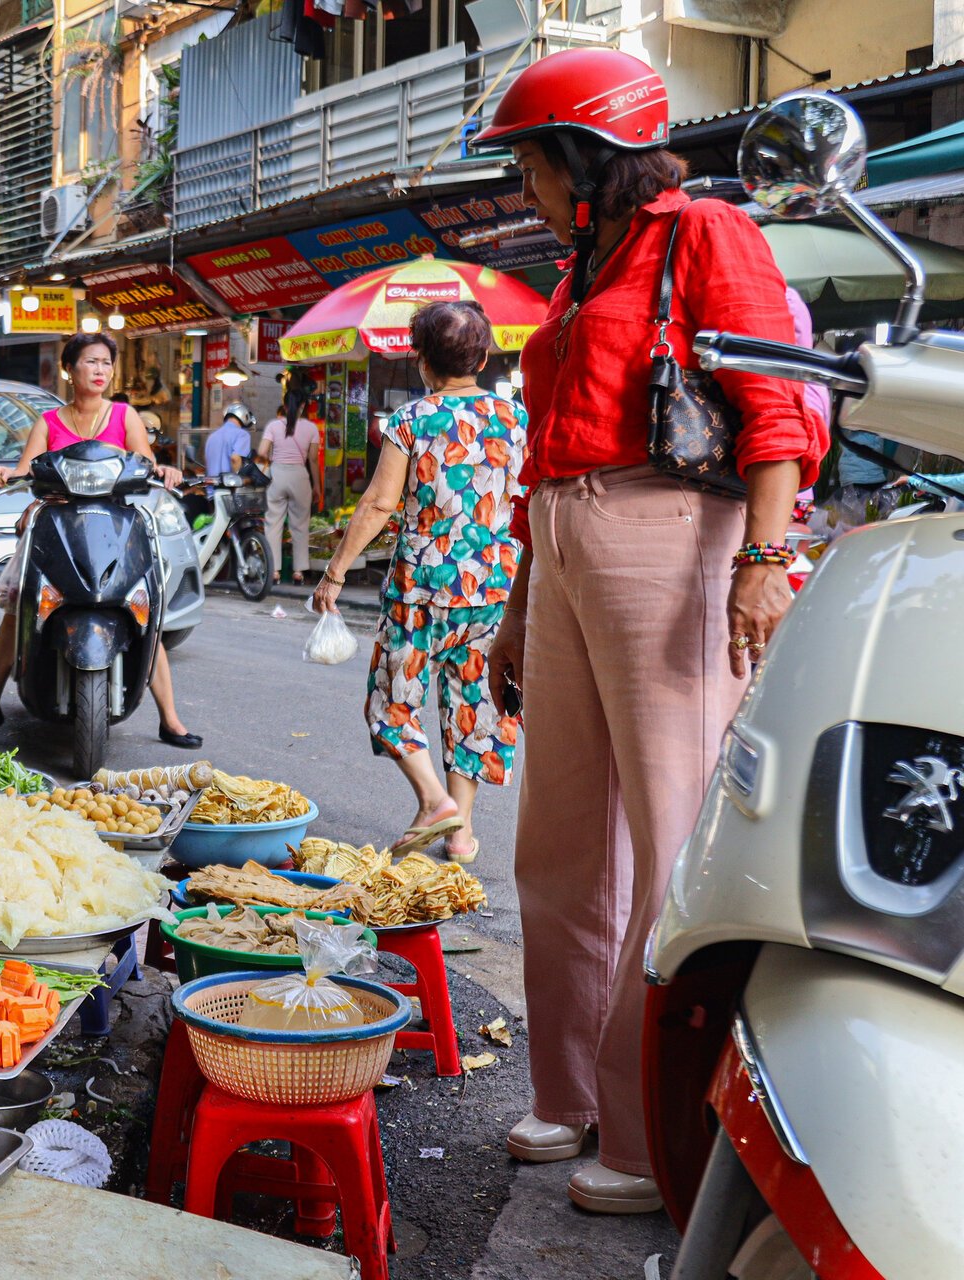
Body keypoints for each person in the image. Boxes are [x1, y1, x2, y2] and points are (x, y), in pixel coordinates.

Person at [473, 48, 825, 1214]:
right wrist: (521, 601)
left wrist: (765, 560)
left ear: (587, 156)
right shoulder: (587, 265)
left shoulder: (703, 233)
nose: (523, 187)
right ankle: (568, 1089)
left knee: (670, 833)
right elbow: (542, 455)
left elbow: (775, 404)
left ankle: (643, 1132)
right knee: (559, 839)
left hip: (670, 534)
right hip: (568, 537)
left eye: (529, 165)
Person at [313, 302, 526, 866]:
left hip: (422, 590)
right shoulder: (516, 419)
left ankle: (435, 802)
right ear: (483, 357)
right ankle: (459, 833)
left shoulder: (411, 419)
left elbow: (381, 501)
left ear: (422, 360)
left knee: (392, 703)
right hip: (496, 589)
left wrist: (335, 571)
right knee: (475, 707)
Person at [0, 332, 202, 749]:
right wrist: (7, 475)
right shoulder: (49, 422)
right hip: (57, 523)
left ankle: (170, 719)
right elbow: (25, 470)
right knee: (16, 612)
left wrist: (164, 470)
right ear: (69, 370)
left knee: (142, 610)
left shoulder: (125, 416)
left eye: (106, 363)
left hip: (112, 528)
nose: (100, 371)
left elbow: (144, 462)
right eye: (90, 362)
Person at [256, 389, 321, 587]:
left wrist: (270, 464)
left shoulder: (274, 426)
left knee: (273, 523)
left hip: (277, 475)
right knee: (300, 525)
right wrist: (317, 485)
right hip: (300, 476)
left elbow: (261, 453)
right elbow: (312, 460)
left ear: (284, 407)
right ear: (303, 407)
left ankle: (274, 571)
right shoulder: (311, 428)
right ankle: (298, 572)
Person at [203, 403, 255, 478]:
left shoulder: (212, 436)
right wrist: (239, 479)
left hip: (211, 487)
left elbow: (207, 461)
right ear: (244, 417)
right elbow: (235, 458)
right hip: (228, 486)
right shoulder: (242, 434)